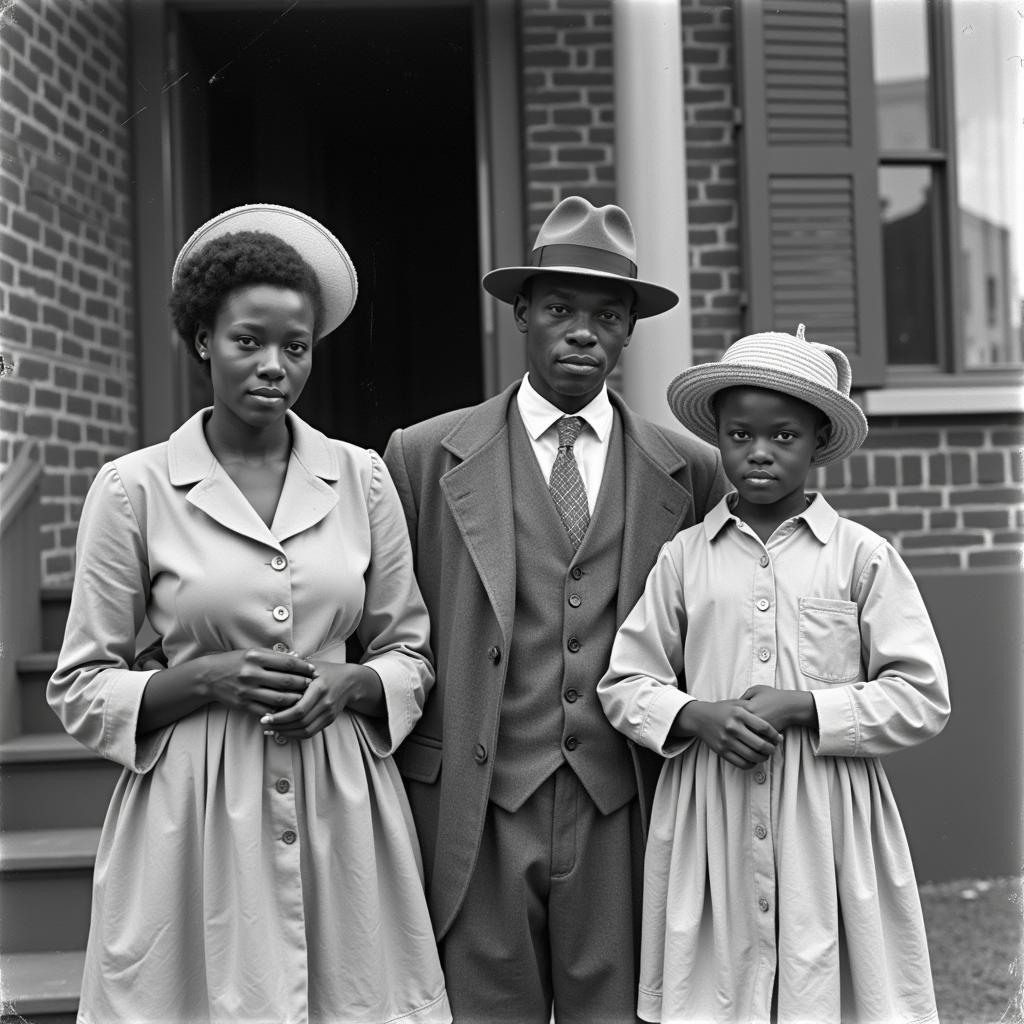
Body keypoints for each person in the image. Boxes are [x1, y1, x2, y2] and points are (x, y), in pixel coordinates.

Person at [48, 204, 451, 1024]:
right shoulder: (135, 489)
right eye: (248, 341)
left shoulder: (362, 478)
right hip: (194, 808)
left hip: (340, 800)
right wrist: (203, 677)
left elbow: (410, 652)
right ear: (203, 339)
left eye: (294, 348)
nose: (274, 366)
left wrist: (351, 685)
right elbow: (81, 685)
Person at [382, 196, 728, 1023]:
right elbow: (387, 625)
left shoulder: (689, 469)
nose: (584, 332)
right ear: (522, 314)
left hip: (623, 801)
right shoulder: (423, 456)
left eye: (607, 315)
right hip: (479, 799)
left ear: (629, 331)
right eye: (561, 310)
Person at [597, 326, 951, 1023]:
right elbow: (625, 683)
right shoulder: (685, 558)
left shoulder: (860, 557)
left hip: (827, 819)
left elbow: (921, 697)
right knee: (719, 990)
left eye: (783, 436)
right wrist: (696, 716)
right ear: (720, 439)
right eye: (739, 436)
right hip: (713, 817)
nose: (757, 453)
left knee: (831, 990)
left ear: (819, 441)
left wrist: (807, 707)